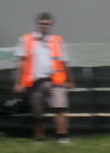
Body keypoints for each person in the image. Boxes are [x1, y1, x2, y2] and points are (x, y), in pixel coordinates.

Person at [13, 12, 75, 143]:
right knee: (37, 113)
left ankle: (62, 138)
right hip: (35, 81)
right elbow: (20, 62)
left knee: (61, 109)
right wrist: (18, 82)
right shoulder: (26, 39)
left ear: (51, 25)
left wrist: (70, 80)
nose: (45, 26)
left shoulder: (57, 40)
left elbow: (65, 61)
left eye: (47, 24)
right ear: (37, 24)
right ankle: (40, 139)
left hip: (56, 80)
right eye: (42, 24)